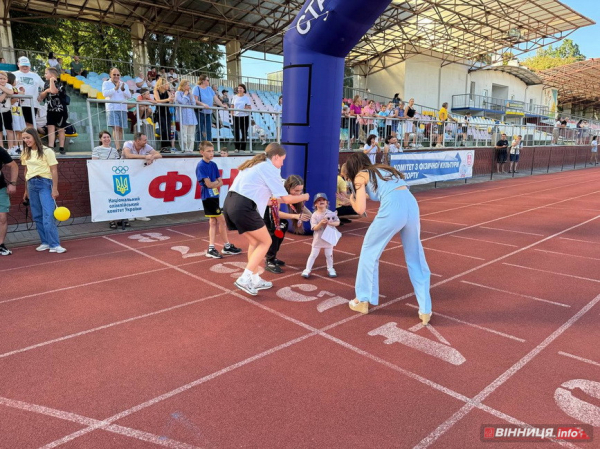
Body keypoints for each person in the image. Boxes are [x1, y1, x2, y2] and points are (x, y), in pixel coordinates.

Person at [346, 152, 432, 324]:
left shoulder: (359, 176)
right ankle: (425, 310)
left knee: (369, 252)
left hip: (393, 209)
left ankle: (362, 299)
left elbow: (361, 209)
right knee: (416, 256)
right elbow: (382, 192)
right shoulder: (381, 170)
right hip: (411, 205)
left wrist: (351, 199)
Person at [222, 143, 309, 295]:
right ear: (275, 157)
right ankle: (244, 278)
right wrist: (304, 196)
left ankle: (255, 279)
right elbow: (286, 199)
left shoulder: (258, 165)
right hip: (243, 206)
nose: (282, 163)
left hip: (231, 203)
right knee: (266, 241)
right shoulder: (268, 168)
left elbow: (272, 198)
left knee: (255, 242)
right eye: (282, 160)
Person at [21, 127, 66, 253]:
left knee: (48, 215)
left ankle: (55, 244)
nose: (26, 140)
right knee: (37, 215)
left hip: (45, 183)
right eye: (24, 138)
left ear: (35, 137)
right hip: (31, 184)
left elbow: (54, 170)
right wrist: (26, 190)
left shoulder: (47, 151)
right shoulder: (25, 152)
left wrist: (55, 188)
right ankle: (45, 242)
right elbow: (25, 171)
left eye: (28, 138)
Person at [196, 141, 242, 259]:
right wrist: (215, 183)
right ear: (202, 152)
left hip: (215, 196)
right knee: (221, 220)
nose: (211, 153)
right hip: (208, 197)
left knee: (213, 222)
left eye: (212, 151)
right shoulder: (201, 166)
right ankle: (225, 246)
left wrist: (214, 183)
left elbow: (220, 182)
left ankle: (212, 248)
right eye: (208, 151)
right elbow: (209, 185)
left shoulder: (213, 165)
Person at [263, 174, 311, 274]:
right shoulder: (278, 191)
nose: (298, 193)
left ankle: (273, 256)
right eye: (296, 191)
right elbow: (274, 213)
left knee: (283, 224)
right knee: (274, 230)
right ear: (288, 187)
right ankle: (269, 260)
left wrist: (316, 217)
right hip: (260, 206)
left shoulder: (290, 189)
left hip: (268, 204)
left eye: (300, 190)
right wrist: (295, 216)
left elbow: (300, 206)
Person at [301, 192, 340, 278]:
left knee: (329, 254)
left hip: (329, 238)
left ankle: (330, 268)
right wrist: (321, 223)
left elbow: (337, 222)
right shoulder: (314, 215)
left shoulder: (331, 213)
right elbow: (314, 228)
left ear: (327, 202)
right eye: (318, 200)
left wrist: (331, 223)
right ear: (315, 204)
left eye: (323, 200)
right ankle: (307, 269)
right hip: (318, 239)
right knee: (313, 254)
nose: (321, 201)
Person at [92, 130, 122, 228]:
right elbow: (95, 164)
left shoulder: (114, 150)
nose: (106, 139)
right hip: (102, 178)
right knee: (108, 198)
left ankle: (120, 218)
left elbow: (117, 163)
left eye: (108, 137)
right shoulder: (96, 149)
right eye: (104, 137)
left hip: (113, 177)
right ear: (100, 139)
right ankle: (111, 220)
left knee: (117, 197)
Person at [39, 67, 68, 154]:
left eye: (46, 73)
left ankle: (62, 147)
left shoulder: (60, 83)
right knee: (50, 127)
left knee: (60, 128)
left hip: (60, 111)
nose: (45, 75)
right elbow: (41, 97)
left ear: (51, 75)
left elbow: (54, 91)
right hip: (50, 110)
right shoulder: (45, 84)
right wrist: (46, 91)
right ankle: (51, 146)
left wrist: (52, 81)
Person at [102, 67, 132, 152]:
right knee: (115, 127)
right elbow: (105, 94)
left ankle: (120, 146)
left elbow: (129, 96)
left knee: (121, 128)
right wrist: (115, 88)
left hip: (122, 109)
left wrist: (123, 90)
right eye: (114, 74)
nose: (116, 76)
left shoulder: (124, 84)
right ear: (110, 75)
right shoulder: (106, 83)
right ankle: (118, 147)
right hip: (112, 108)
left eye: (118, 75)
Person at [192, 74, 227, 143]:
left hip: (208, 112)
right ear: (203, 81)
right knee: (199, 129)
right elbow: (194, 100)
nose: (208, 81)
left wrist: (222, 105)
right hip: (200, 112)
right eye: (207, 80)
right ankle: (199, 145)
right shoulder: (196, 88)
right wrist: (203, 104)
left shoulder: (209, 89)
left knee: (208, 130)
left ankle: (209, 144)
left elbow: (216, 99)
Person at [12, 57, 44, 129]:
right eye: (23, 65)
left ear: (29, 66)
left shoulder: (35, 75)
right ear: (18, 65)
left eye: (26, 65)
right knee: (17, 125)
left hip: (32, 104)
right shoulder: (13, 74)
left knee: (29, 124)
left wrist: (42, 95)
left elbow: (44, 86)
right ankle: (20, 140)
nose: (25, 67)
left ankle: (29, 139)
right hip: (16, 104)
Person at [0, 143, 18, 255]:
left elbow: (14, 166)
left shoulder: (0, 150)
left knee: (2, 218)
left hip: (0, 189)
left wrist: (13, 183)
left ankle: (0, 244)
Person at [153, 77, 175, 152]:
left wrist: (172, 98)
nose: (168, 86)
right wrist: (168, 100)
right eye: (166, 84)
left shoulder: (167, 92)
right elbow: (158, 101)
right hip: (160, 111)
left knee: (168, 129)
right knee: (163, 129)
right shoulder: (156, 91)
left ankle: (167, 146)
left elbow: (170, 101)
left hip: (167, 111)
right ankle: (163, 146)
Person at [175, 79, 198, 153]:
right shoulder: (178, 93)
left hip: (191, 117)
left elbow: (194, 104)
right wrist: (185, 95)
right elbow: (182, 102)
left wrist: (191, 95)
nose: (189, 86)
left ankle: (191, 149)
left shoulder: (189, 94)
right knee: (183, 134)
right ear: (184, 86)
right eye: (188, 85)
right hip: (183, 117)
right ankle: (185, 149)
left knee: (191, 135)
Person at [232, 83, 252, 153]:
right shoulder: (234, 97)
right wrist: (232, 114)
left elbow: (250, 107)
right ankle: (236, 147)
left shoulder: (246, 98)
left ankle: (243, 148)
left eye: (241, 88)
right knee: (236, 132)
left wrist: (246, 107)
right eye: (239, 88)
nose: (239, 89)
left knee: (244, 132)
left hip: (244, 116)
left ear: (244, 90)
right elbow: (232, 106)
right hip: (236, 116)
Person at [0, 71, 15, 151]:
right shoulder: (6, 87)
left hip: (7, 110)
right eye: (0, 78)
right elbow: (0, 99)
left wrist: (2, 89)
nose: (2, 80)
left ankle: (10, 148)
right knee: (0, 130)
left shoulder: (8, 85)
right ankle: (1, 147)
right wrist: (6, 93)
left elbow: (11, 92)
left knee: (9, 129)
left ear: (7, 79)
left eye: (4, 79)